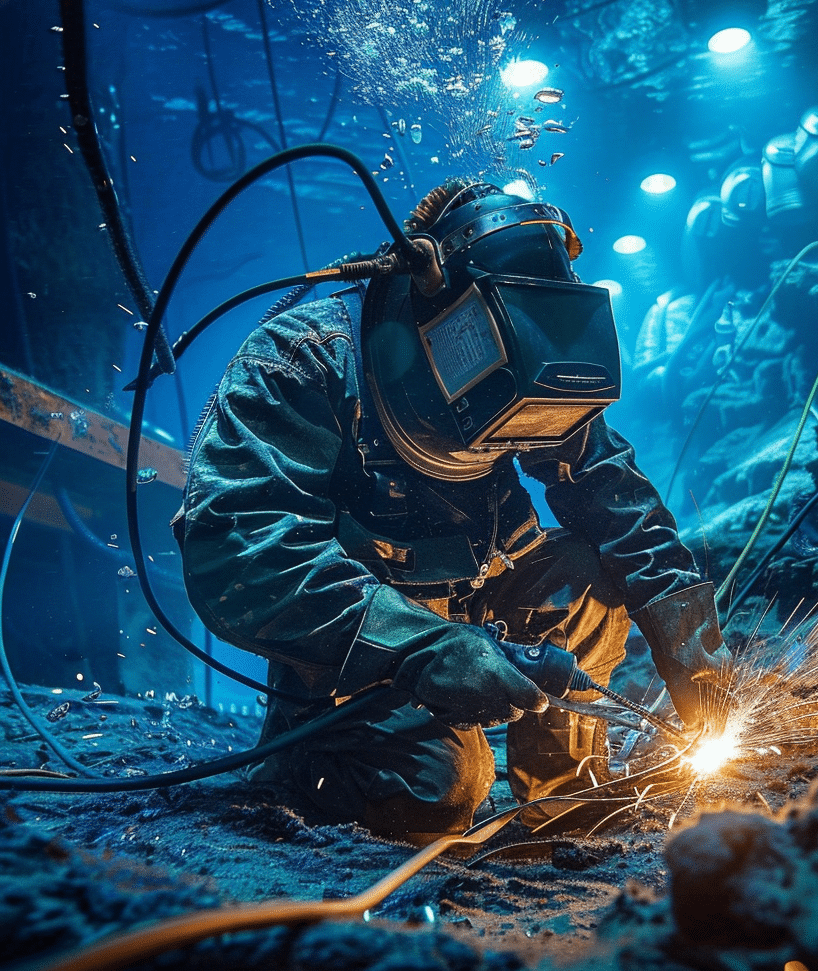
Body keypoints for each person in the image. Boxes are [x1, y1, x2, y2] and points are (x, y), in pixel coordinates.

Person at [176, 179, 730, 840]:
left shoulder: (537, 352)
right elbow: (238, 547)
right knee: (440, 790)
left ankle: (558, 810)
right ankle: (307, 759)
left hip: (479, 591)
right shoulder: (305, 359)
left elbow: (619, 503)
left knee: (585, 579)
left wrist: (693, 651)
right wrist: (419, 647)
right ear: (437, 310)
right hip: (361, 634)